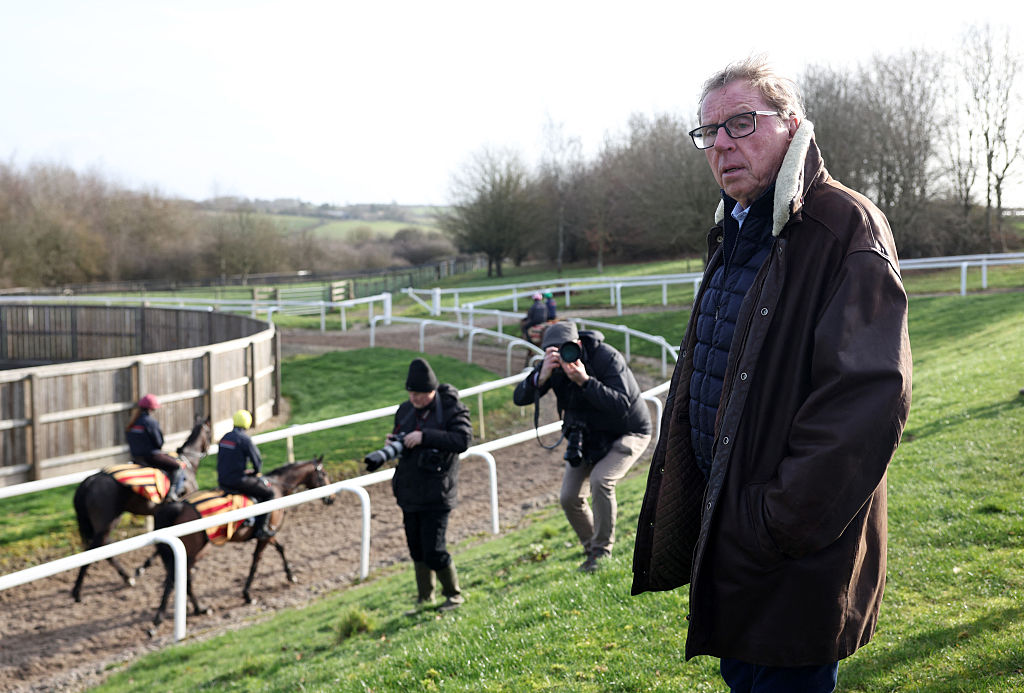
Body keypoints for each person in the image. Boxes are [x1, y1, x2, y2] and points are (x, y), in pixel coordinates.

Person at [631, 56, 913, 693]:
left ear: (791, 125)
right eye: (710, 133)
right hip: (730, 527)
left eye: (741, 123)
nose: (723, 144)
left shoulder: (842, 225)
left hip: (788, 545)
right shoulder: (736, 229)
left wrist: (777, 519)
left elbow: (867, 400)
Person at [513, 320, 652, 572]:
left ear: (577, 344)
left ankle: (602, 552)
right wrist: (540, 377)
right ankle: (592, 554)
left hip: (628, 430)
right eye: (552, 353)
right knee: (569, 497)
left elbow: (623, 405)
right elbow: (519, 398)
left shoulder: (605, 357)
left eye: (566, 349)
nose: (562, 357)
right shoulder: (551, 368)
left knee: (601, 480)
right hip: (589, 436)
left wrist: (585, 381)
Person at [367, 358, 472, 612]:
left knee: (434, 549)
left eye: (419, 394)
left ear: (432, 391)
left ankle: (454, 595)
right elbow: (403, 442)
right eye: (411, 393)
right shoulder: (404, 411)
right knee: (416, 549)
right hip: (409, 490)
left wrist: (425, 436)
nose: (414, 398)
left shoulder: (451, 408)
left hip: (437, 492)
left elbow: (463, 440)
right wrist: (394, 441)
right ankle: (425, 598)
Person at [217, 409, 276, 539]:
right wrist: (255, 472)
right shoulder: (245, 439)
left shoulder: (225, 437)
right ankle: (262, 529)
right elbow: (257, 461)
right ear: (247, 423)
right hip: (237, 480)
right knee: (270, 493)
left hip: (222, 480)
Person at [125, 393, 186, 501]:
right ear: (152, 409)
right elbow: (159, 443)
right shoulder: (151, 422)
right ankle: (171, 494)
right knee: (177, 466)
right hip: (151, 457)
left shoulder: (132, 422)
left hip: (136, 458)